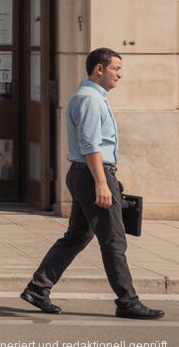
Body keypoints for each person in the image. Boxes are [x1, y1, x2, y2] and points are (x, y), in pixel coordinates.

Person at [20, 49, 164, 320]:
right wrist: (101, 181)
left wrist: (108, 177)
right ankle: (128, 301)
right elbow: (90, 145)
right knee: (114, 241)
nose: (120, 75)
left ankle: (38, 288)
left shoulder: (91, 97)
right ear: (99, 69)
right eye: (116, 69)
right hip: (90, 174)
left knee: (77, 236)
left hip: (88, 173)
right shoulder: (90, 100)